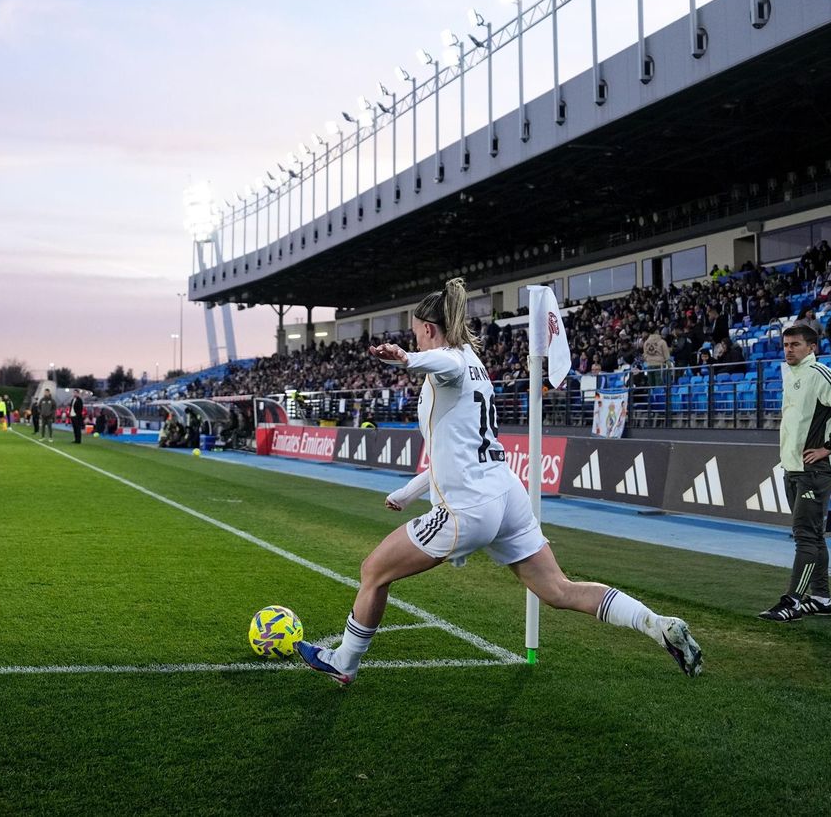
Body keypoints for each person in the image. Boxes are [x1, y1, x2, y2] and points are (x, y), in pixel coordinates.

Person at [295, 278, 703, 686]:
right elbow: (452, 449)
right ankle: (654, 623)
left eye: (415, 332)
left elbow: (441, 362)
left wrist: (405, 359)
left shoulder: (449, 363)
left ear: (428, 329)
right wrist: (406, 493)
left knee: (373, 571)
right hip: (507, 494)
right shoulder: (473, 360)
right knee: (559, 590)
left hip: (470, 506)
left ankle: (345, 661)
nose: (413, 338)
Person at [757, 325, 831, 622]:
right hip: (794, 469)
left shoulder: (819, 374)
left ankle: (792, 601)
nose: (789, 349)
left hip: (815, 470)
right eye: (786, 344)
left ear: (811, 348)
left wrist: (828, 447)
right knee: (814, 536)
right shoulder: (791, 376)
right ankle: (821, 598)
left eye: (795, 345)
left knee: (804, 536)